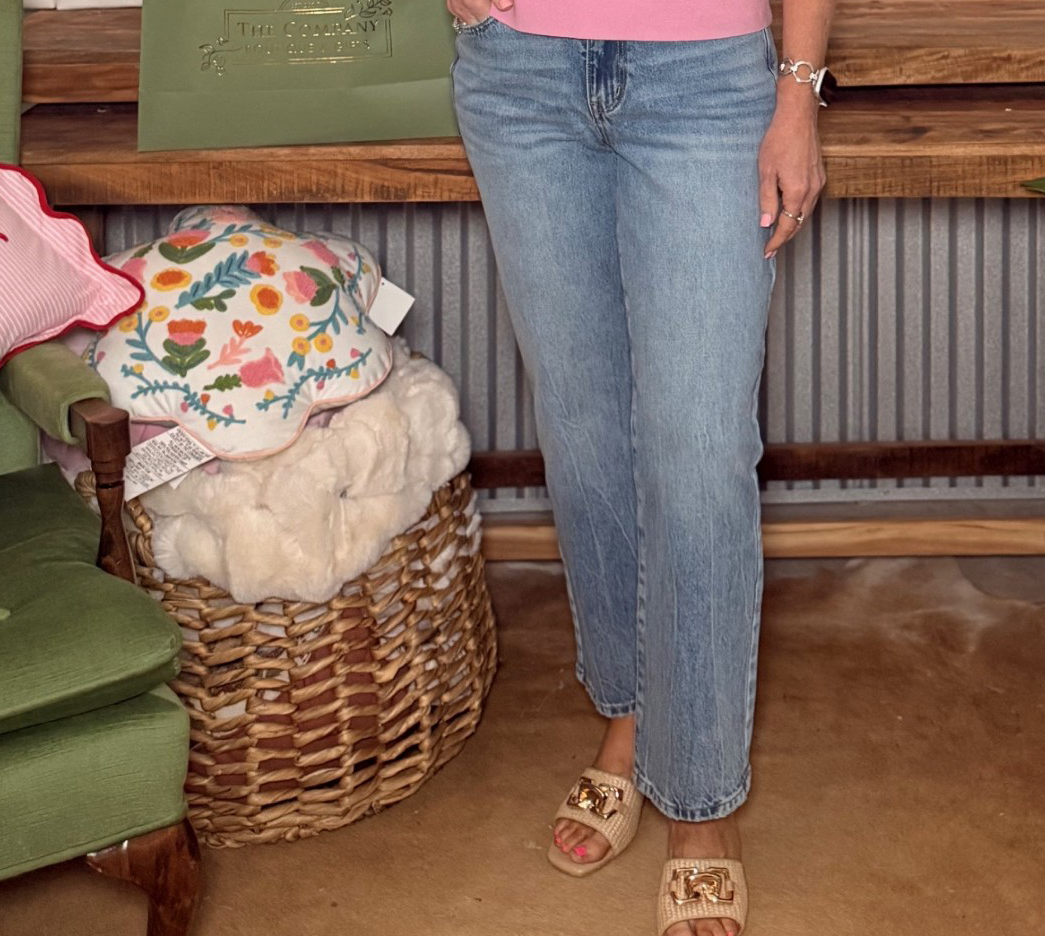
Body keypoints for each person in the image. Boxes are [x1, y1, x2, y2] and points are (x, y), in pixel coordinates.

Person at [448, 0, 833, 932]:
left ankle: (701, 802)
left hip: (707, 81)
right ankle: (628, 720)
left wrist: (798, 91)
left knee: (698, 454)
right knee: (584, 436)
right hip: (521, 75)